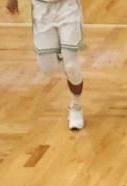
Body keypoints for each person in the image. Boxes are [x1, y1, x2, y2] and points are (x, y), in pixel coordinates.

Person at [5, 0, 86, 130]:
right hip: (41, 9)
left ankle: (76, 106)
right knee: (48, 69)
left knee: (71, 66)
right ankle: (68, 65)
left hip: (67, 7)